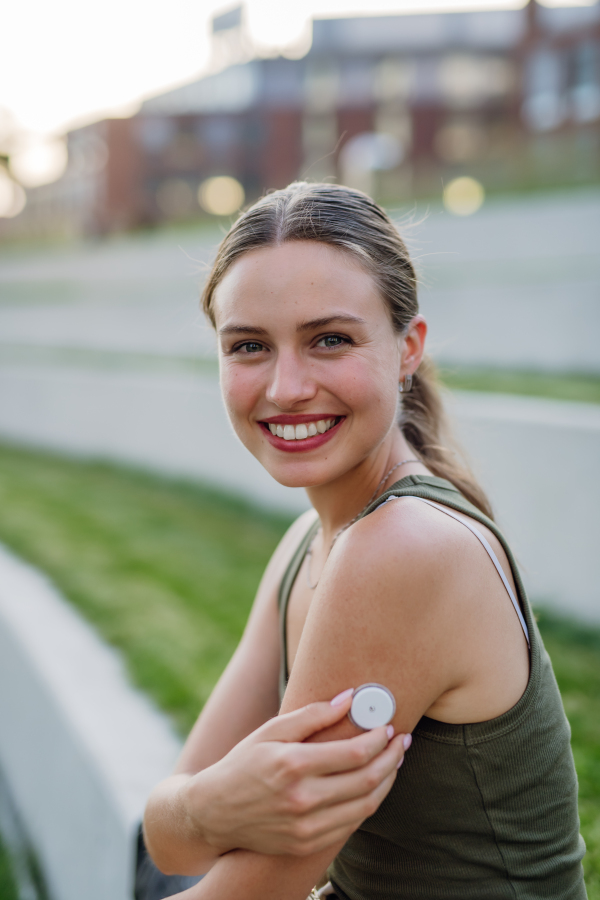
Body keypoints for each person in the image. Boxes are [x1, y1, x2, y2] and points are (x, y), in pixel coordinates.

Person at [143, 182, 586, 900]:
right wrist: (200, 807)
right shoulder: (304, 546)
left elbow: (229, 873)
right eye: (249, 345)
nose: (286, 387)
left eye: (330, 340)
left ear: (407, 349)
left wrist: (195, 808)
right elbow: (166, 845)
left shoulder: (403, 549)